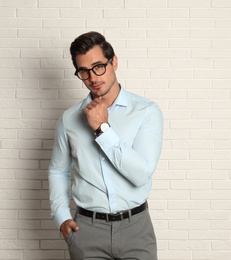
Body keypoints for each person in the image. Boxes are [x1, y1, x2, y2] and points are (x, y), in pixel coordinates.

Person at [48, 31, 163, 260]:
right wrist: (61, 215)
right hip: (87, 231)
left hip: (136, 229)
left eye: (99, 66)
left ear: (114, 62)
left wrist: (102, 129)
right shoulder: (69, 119)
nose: (92, 77)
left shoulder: (146, 112)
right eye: (84, 71)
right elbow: (58, 170)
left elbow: (140, 174)